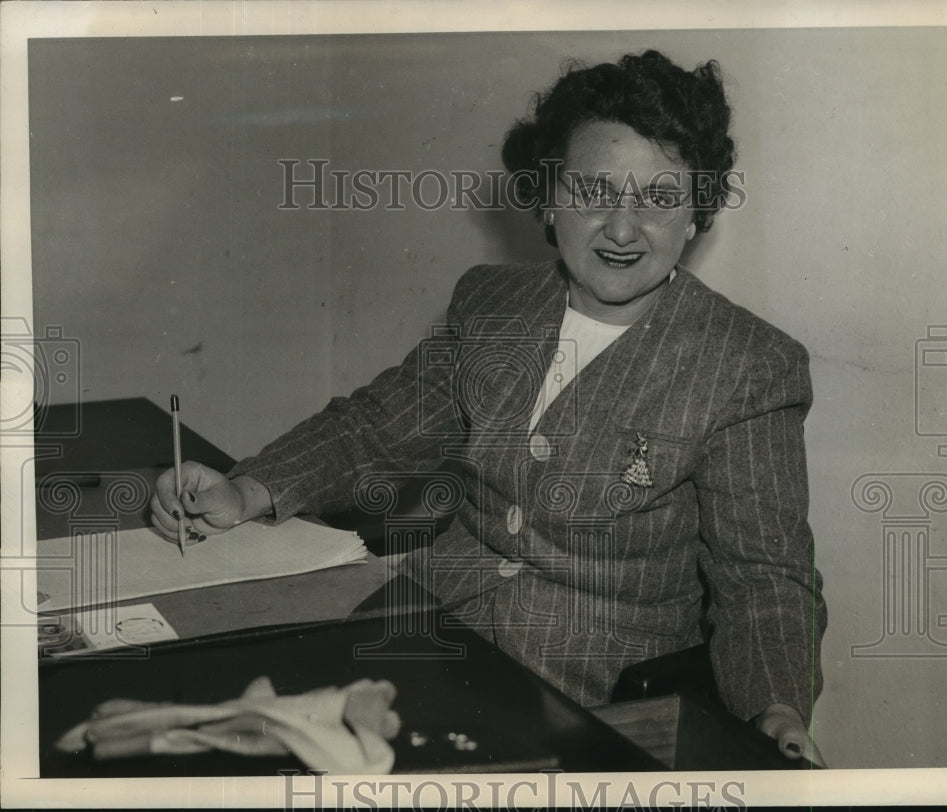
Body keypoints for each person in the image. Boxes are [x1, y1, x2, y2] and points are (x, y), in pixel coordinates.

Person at [150, 50, 828, 766]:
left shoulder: (748, 365)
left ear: (697, 214)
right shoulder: (490, 302)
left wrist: (775, 705)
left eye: (659, 199)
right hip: (422, 637)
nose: (623, 229)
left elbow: (763, 576)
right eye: (594, 190)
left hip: (596, 702)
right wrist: (248, 487)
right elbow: (377, 427)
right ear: (547, 198)